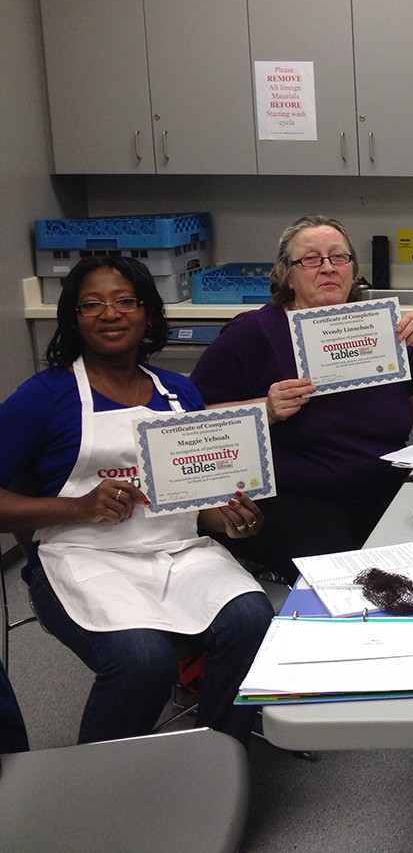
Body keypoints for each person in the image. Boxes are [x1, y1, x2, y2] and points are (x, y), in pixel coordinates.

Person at [0, 258, 273, 746]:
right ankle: (100, 791)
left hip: (177, 554)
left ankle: (215, 755)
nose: (110, 313)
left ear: (147, 314)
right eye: (92, 304)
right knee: (144, 660)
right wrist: (80, 508)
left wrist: (229, 520)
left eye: (126, 301)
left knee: (252, 618)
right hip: (82, 556)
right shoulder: (47, 396)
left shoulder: (179, 394)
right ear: (73, 318)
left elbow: (193, 505)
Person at [189, 215, 413, 579]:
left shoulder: (378, 327)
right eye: (311, 259)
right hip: (297, 496)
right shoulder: (253, 333)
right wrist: (263, 410)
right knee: (348, 576)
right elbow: (191, 419)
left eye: (338, 257)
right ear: (287, 273)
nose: (328, 268)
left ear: (352, 268)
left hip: (381, 485)